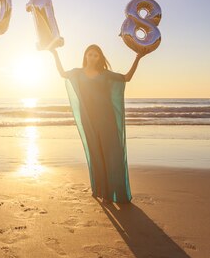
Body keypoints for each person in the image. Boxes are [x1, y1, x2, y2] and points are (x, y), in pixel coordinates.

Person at [50, 45, 145, 203]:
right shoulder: (77, 73)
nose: (93, 57)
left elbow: (127, 77)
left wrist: (138, 58)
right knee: (95, 153)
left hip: (106, 118)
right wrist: (54, 53)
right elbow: (62, 74)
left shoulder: (105, 74)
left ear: (100, 58)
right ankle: (100, 189)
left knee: (112, 154)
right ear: (85, 55)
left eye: (96, 55)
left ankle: (112, 193)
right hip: (89, 119)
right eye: (90, 54)